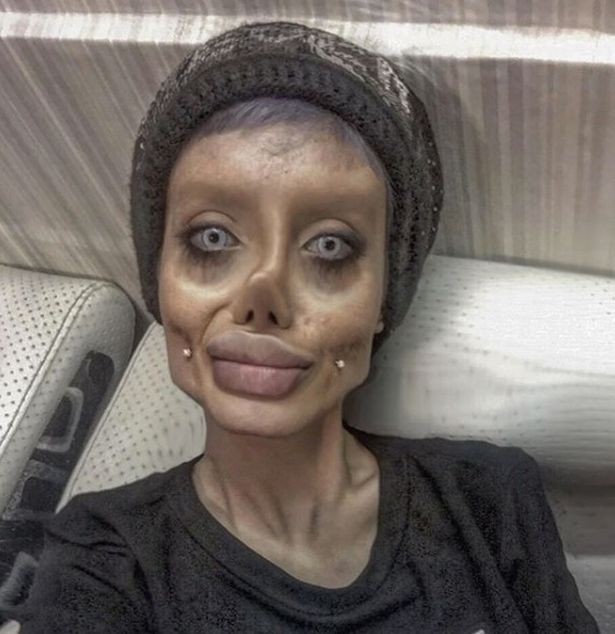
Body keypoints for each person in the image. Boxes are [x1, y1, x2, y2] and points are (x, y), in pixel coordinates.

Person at [2, 20, 599, 633]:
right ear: (159, 280)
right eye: (213, 238)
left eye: (329, 247)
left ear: (384, 299)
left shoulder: (487, 499)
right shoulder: (104, 559)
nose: (262, 298)